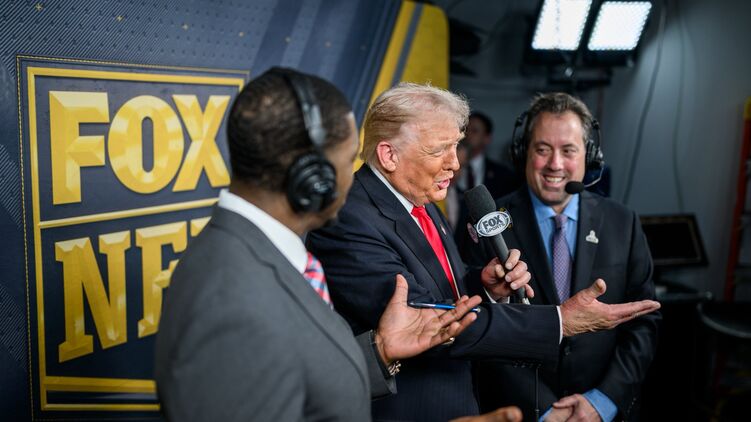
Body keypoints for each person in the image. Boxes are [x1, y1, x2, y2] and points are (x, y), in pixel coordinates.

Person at [306, 83, 661, 422]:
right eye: (439, 150)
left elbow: (448, 295)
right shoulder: (348, 219)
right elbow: (427, 322)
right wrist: (559, 320)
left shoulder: (423, 202)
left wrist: (486, 288)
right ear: (389, 155)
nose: (455, 163)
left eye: (456, 146)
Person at [153, 68, 485, 421]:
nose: (352, 178)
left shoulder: (254, 254)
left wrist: (380, 351)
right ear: (313, 178)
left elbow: (295, 386)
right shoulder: (228, 293)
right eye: (347, 159)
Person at [474, 92, 661, 421]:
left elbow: (643, 324)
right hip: (521, 412)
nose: (555, 164)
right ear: (523, 152)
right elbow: (481, 325)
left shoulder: (623, 222)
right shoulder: (488, 225)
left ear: (589, 155)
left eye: (568, 150)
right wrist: (545, 410)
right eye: (542, 149)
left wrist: (602, 402)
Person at [454, 111, 521, 260]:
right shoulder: (447, 169)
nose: (467, 135)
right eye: (465, 130)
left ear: (487, 138)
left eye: (474, 131)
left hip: (490, 253)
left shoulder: (504, 176)